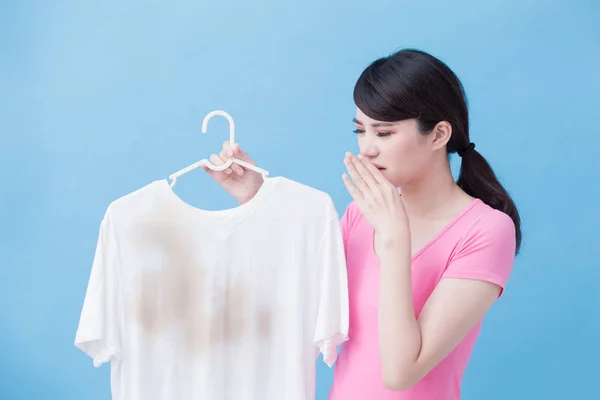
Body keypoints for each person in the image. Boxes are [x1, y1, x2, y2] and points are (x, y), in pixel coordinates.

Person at [202, 48, 520, 399]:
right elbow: (306, 303)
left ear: (438, 135)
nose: (367, 149)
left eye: (383, 134)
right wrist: (256, 198)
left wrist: (395, 239)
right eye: (360, 131)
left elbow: (401, 372)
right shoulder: (361, 213)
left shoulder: (486, 232)